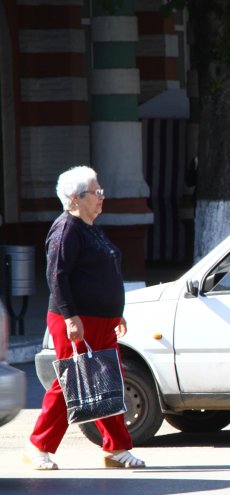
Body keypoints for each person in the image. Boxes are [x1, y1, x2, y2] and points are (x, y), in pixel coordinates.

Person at [23, 166, 145, 470]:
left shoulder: (89, 227)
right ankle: (38, 446)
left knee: (108, 383)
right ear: (76, 198)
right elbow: (56, 276)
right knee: (71, 384)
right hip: (77, 322)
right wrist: (71, 317)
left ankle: (116, 449)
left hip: (100, 322)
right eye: (96, 191)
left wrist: (115, 312)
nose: (102, 196)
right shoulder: (66, 229)